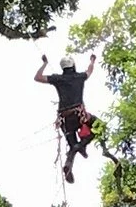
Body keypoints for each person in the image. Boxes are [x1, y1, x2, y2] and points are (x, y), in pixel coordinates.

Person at [36, 52, 98, 183]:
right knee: (100, 126)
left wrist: (45, 63)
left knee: (73, 146)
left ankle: (69, 164)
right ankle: (81, 146)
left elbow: (38, 77)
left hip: (65, 121)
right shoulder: (79, 77)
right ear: (73, 65)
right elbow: (89, 71)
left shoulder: (58, 79)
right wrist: (92, 60)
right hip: (79, 116)